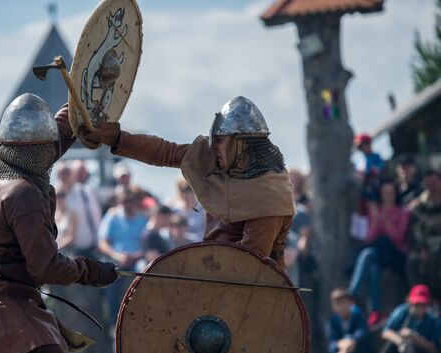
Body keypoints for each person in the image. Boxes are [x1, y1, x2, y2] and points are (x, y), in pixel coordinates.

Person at [0, 94, 118, 353]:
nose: (51, 153)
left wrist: (84, 97)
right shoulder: (22, 193)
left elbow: (50, 139)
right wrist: (92, 271)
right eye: (46, 148)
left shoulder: (7, 169)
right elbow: (45, 267)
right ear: (37, 151)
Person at [82, 96, 295, 267]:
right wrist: (119, 139)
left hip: (253, 296)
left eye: (220, 140)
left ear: (240, 143)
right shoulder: (215, 160)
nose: (213, 147)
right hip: (214, 273)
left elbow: (249, 264)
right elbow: (166, 152)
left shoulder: (270, 196)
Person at [348, 181, 410, 326]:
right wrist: (376, 221)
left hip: (396, 254)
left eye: (390, 193)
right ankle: (375, 311)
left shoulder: (403, 211)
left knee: (368, 254)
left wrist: (387, 221)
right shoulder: (375, 212)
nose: (387, 196)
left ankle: (351, 294)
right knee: (373, 268)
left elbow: (398, 239)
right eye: (384, 193)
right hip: (379, 254)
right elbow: (369, 238)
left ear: (395, 194)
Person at [368, 284, 440, 353]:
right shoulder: (402, 311)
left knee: (410, 344)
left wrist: (414, 337)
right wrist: (401, 342)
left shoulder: (433, 321)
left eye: (422, 304)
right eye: (415, 304)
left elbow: (433, 348)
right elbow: (386, 332)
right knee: (391, 344)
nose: (418, 307)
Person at [98, 187, 148, 324]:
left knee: (144, 270)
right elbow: (102, 243)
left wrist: (135, 256)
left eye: (130, 201)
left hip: (137, 261)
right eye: (124, 201)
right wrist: (116, 255)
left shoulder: (143, 220)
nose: (127, 204)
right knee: (109, 282)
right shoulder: (112, 218)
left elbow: (147, 244)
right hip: (117, 261)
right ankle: (113, 323)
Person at [309, 289, 373, 353]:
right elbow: (332, 341)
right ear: (333, 306)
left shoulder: (359, 316)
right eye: (337, 304)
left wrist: (344, 349)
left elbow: (361, 335)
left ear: (351, 303)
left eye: (344, 303)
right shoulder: (331, 322)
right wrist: (342, 347)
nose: (341, 307)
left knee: (351, 344)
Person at [406, 168, 441, 301]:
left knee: (434, 260)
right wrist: (420, 248)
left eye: (434, 183)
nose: (431, 188)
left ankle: (436, 298)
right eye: (428, 184)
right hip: (426, 244)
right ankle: (419, 298)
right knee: (412, 261)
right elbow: (414, 231)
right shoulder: (420, 205)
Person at [170, 177, 205, 242]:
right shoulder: (174, 209)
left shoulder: (202, 209)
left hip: (199, 245)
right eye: (183, 191)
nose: (186, 195)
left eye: (190, 191)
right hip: (180, 246)